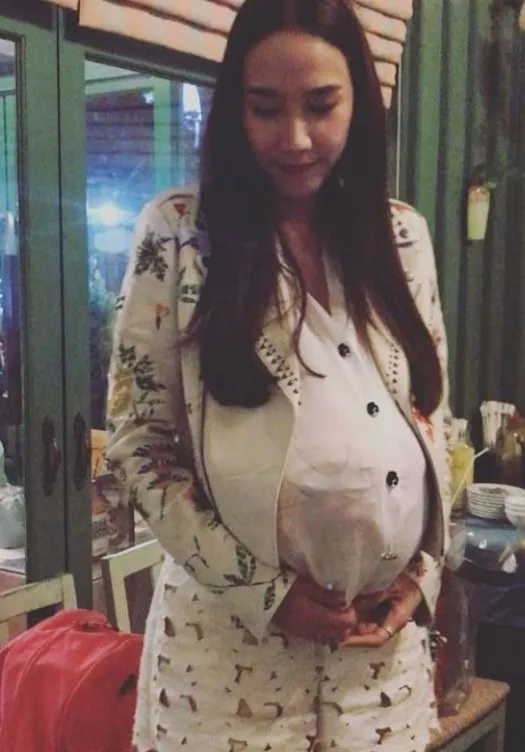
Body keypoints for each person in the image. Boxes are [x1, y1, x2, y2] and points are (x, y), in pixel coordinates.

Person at [105, 0, 451, 750]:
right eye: (265, 108)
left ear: (359, 103)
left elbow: (434, 420)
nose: (294, 138)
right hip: (227, 665)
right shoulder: (180, 235)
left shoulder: (402, 237)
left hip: (379, 662)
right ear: (235, 111)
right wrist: (265, 594)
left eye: (321, 105)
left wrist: (421, 573)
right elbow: (138, 443)